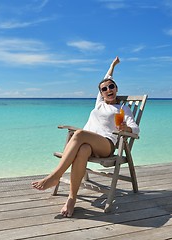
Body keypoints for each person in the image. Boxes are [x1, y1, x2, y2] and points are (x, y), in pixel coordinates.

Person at [31, 56, 139, 217]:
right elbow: (107, 77)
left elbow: (136, 130)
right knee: (83, 149)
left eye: (111, 87)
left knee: (79, 133)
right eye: (104, 89)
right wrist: (112, 65)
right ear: (101, 93)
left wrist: (126, 127)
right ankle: (71, 199)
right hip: (88, 144)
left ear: (116, 89)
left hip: (106, 145)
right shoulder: (99, 104)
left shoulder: (122, 109)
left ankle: (55, 176)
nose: (108, 89)